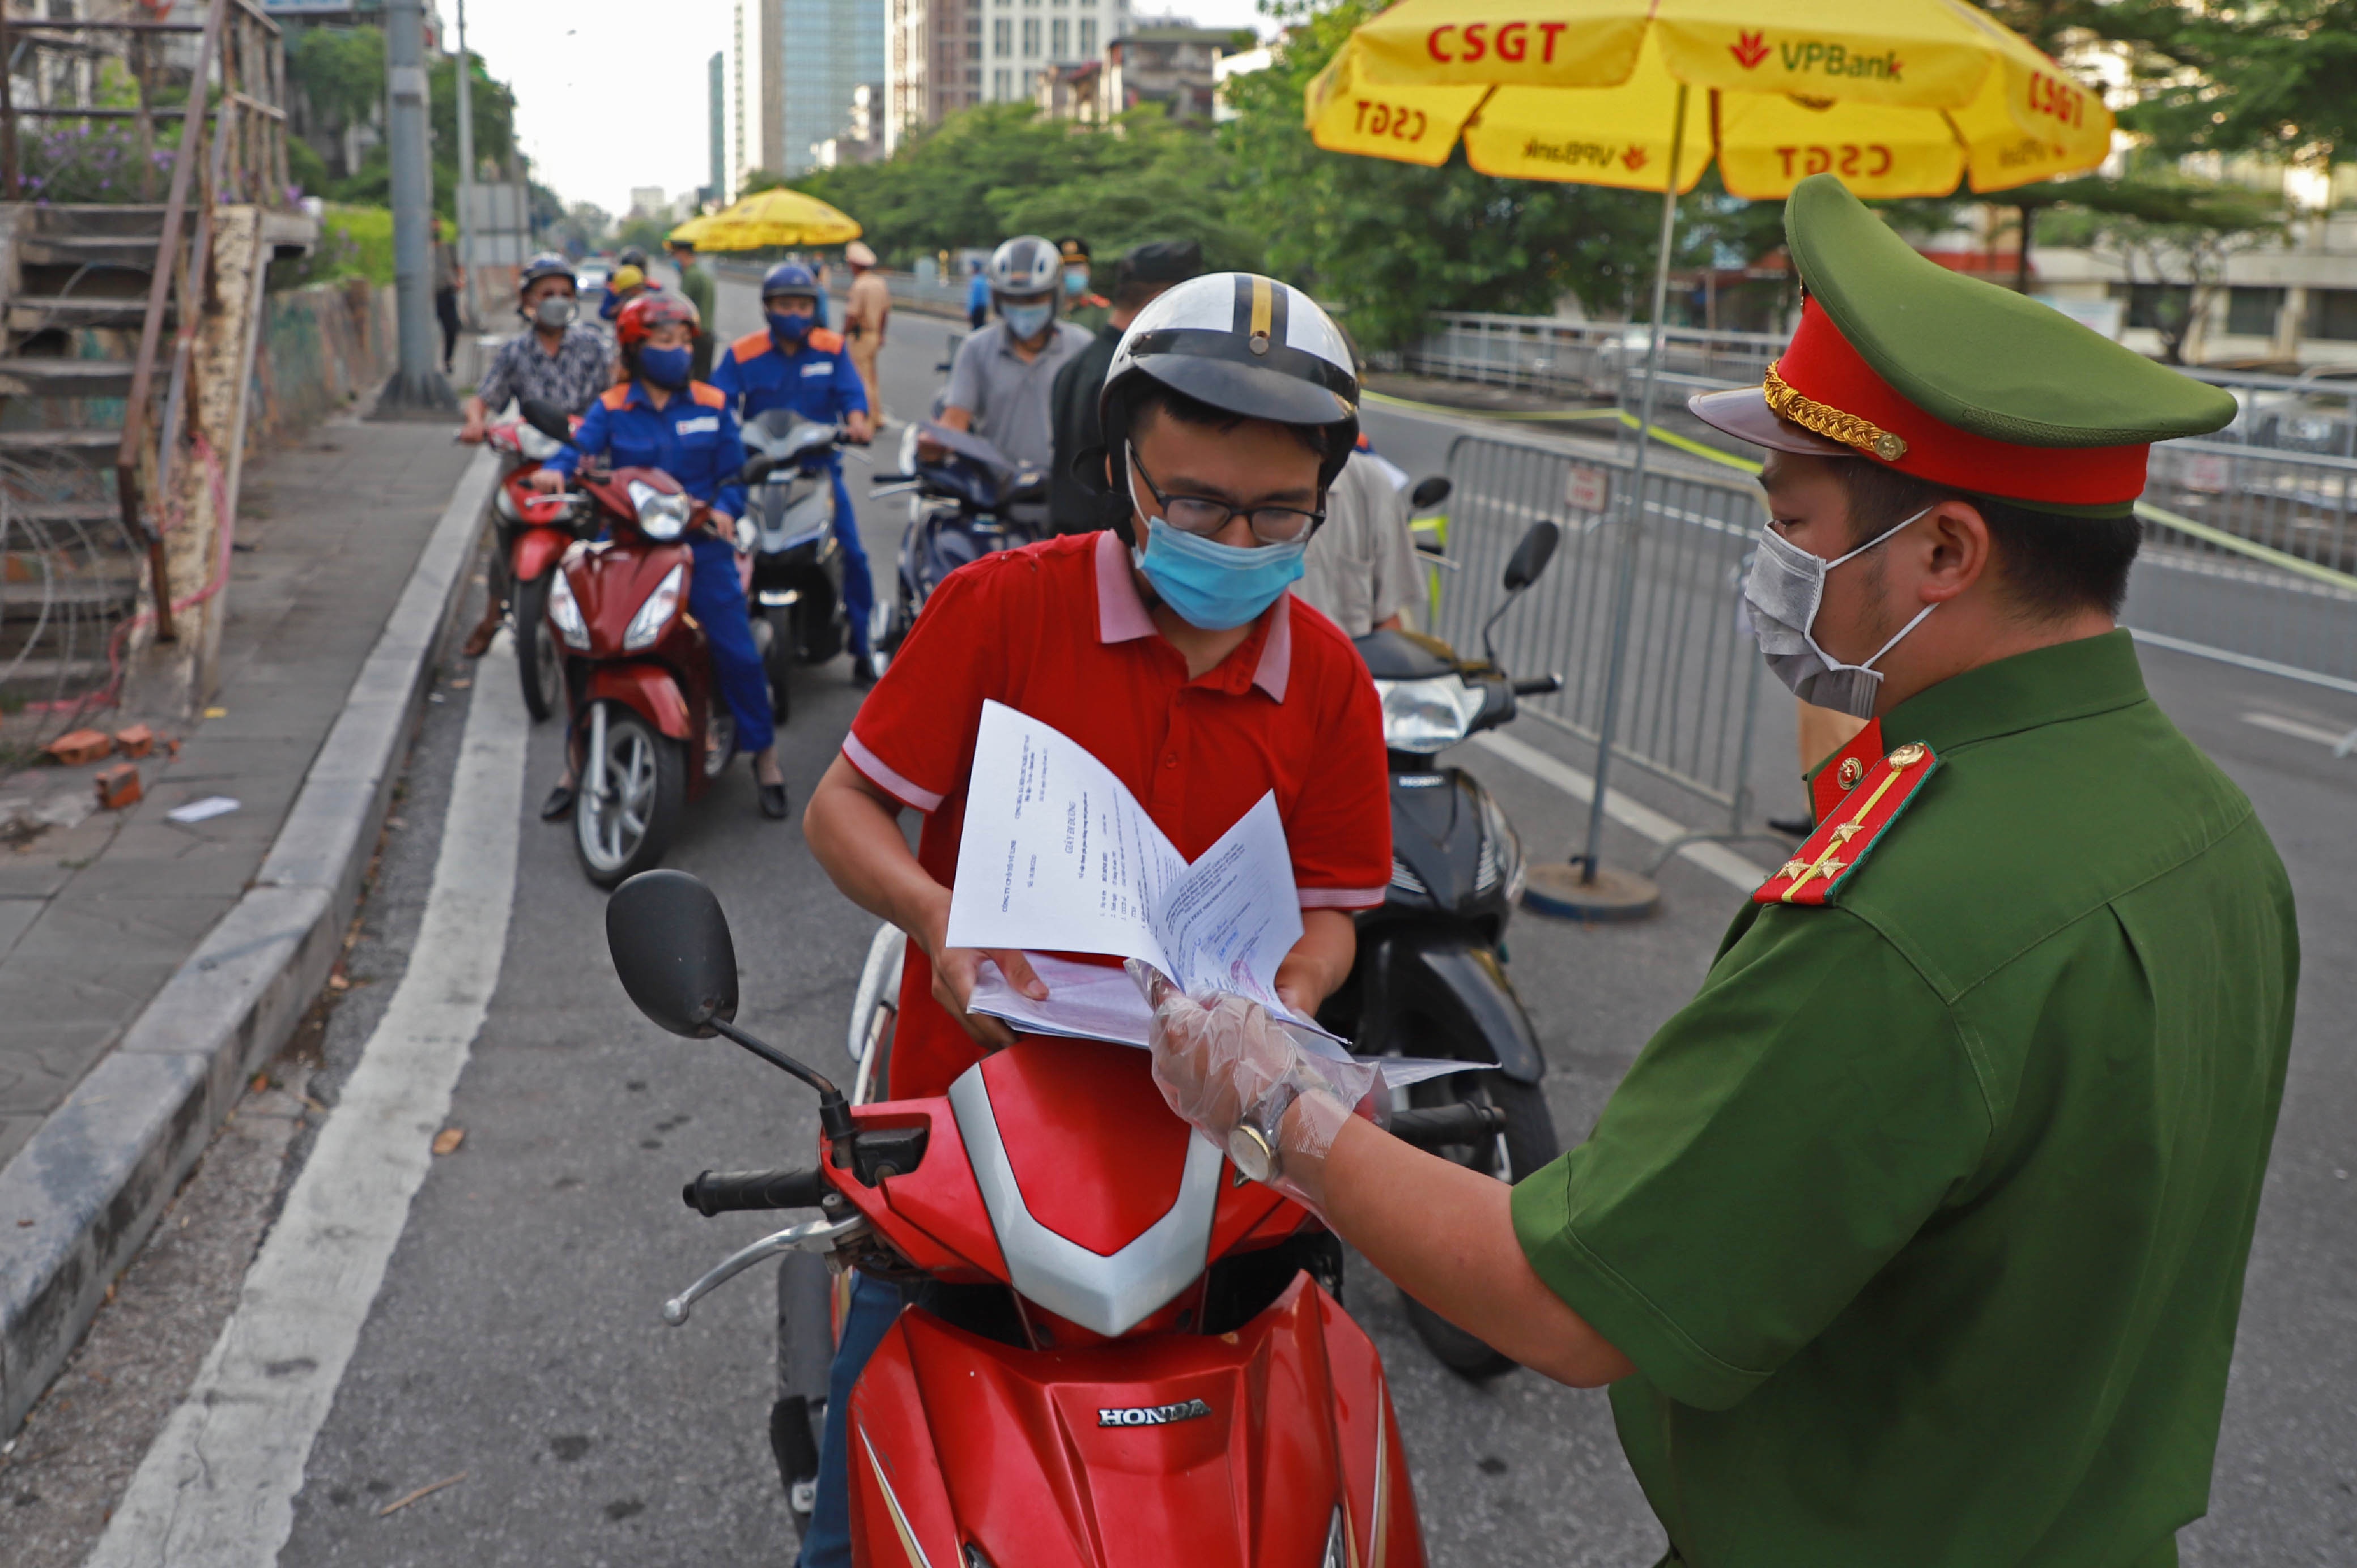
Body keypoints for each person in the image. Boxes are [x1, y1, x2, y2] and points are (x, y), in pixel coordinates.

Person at [1141, 174, 2298, 1568]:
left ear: (1943, 548)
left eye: (1793, 525)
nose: (1768, 561)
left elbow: (1560, 1302)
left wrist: (1274, 1107)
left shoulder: (1906, 915)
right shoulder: (2208, 827)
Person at [797, 272, 1392, 1568]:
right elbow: (845, 811)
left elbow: (1338, 912)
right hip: (973, 1136)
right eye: (1194, 503)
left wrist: (1286, 1000)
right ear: (1125, 472)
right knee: (858, 1527)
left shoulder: (1332, 681)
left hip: (1217, 1151)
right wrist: (936, 915)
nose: (1234, 539)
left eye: (1276, 511)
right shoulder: (1003, 609)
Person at [527, 291, 792, 820]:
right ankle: (577, 761)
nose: (676, 351)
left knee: (735, 648)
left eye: (682, 341)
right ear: (634, 347)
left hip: (699, 547)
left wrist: (724, 509)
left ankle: (764, 756)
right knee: (587, 643)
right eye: (662, 341)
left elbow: (733, 476)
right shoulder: (613, 406)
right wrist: (556, 468)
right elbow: (578, 449)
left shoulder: (713, 406)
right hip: (629, 545)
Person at [710, 261, 880, 685]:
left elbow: (851, 395)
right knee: (722, 550)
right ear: (768, 308)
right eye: (785, 304)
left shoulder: (832, 347)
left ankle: (864, 648)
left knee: (853, 554)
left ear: (815, 306)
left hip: (815, 471)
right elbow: (717, 402)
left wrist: (858, 421)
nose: (795, 313)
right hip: (756, 472)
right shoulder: (743, 353)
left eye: (803, 305)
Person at [456, 253, 618, 658]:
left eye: (565, 293)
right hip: (526, 464)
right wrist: (477, 423)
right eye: (548, 293)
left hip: (584, 460)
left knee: (605, 535)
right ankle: (492, 617)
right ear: (528, 299)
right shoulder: (514, 352)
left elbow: (615, 394)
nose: (558, 301)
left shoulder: (593, 346)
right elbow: (484, 399)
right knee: (504, 538)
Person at [1045, 237, 1201, 535]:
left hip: (1068, 546)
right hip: (1107, 549)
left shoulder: (1077, 365)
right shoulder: (1135, 379)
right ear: (1160, 300)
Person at [935, 234, 1091, 524]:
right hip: (996, 498)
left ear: (1054, 295)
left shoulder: (1082, 348)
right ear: (999, 299)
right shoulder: (977, 348)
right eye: (1014, 299)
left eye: (1034, 298)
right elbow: (955, 420)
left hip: (1066, 502)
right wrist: (934, 443)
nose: (1024, 308)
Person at [841, 240, 891, 423]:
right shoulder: (880, 283)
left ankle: (867, 417)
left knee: (861, 378)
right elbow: (885, 312)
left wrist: (842, 335)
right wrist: (882, 334)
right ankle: (877, 417)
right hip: (875, 334)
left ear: (854, 265)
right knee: (873, 377)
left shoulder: (859, 286)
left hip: (861, 336)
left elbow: (852, 315)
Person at [666, 236, 717, 382]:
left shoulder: (691, 276)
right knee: (703, 380)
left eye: (675, 255)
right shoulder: (703, 274)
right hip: (707, 334)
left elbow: (681, 309)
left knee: (693, 382)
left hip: (696, 336)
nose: (674, 260)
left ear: (683, 254)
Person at [1056, 235, 1110, 334]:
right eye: (1067, 267)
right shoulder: (1047, 308)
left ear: (1088, 271)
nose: (1072, 271)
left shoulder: (1101, 311)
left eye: (1077, 266)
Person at [431, 216, 464, 375]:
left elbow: (458, 267)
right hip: (428, 297)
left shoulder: (448, 248)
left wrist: (459, 281)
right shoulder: (422, 252)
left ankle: (448, 360)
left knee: (451, 328)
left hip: (446, 293)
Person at [964, 257, 989, 329]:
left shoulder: (975, 281)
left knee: (976, 330)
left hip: (976, 309)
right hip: (983, 308)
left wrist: (969, 311)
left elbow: (973, 299)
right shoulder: (984, 280)